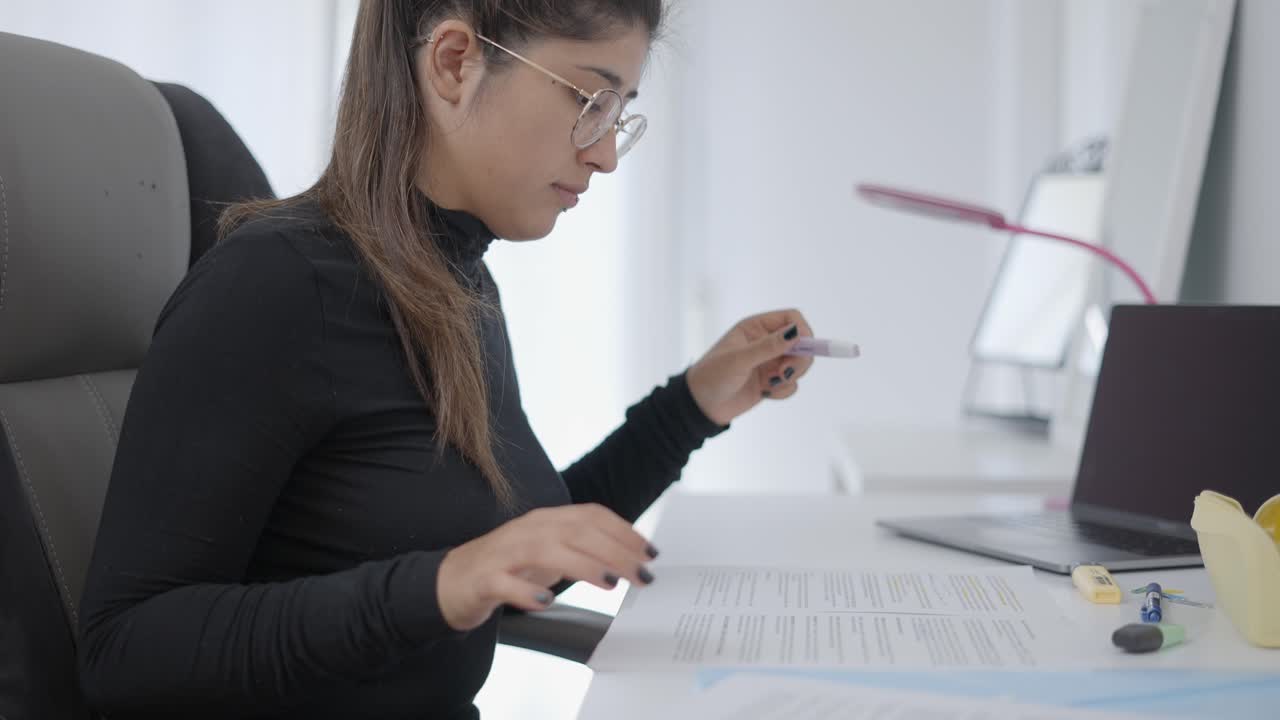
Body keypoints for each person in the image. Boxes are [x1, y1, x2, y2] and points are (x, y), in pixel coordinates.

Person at [77, 0, 816, 717]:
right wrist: (440, 584)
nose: (605, 153)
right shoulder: (274, 286)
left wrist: (692, 406)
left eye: (619, 114)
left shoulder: (457, 281)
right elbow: (126, 654)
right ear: (455, 62)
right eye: (590, 101)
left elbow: (519, 552)